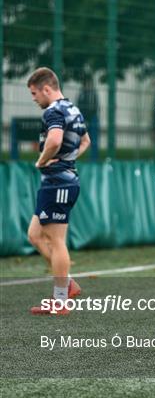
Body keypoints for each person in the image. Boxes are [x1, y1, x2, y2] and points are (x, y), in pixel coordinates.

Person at [27, 67, 90, 315]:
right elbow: (86, 142)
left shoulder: (53, 111)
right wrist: (69, 158)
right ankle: (68, 282)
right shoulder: (72, 108)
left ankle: (61, 299)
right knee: (34, 235)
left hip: (58, 183)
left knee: (56, 240)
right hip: (59, 182)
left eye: (34, 93)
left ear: (46, 88)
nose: (34, 98)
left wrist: (42, 160)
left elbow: (53, 141)